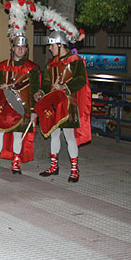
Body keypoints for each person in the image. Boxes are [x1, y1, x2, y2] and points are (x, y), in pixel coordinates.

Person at [35, 29, 92, 182]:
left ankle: (74, 169)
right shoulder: (50, 64)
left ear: (60, 45)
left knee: (69, 136)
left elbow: (81, 80)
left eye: (52, 45)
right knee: (54, 134)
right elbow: (47, 83)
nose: (49, 48)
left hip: (69, 104)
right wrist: (41, 92)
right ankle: (54, 166)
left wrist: (64, 87)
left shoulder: (75, 60)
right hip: (54, 104)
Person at [0, 33, 40, 174]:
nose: (20, 50)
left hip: (23, 107)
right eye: (17, 46)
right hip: (4, 107)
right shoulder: (3, 66)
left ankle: (16, 163)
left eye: (23, 47)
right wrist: (1, 85)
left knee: (18, 135)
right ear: (13, 48)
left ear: (26, 49)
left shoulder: (32, 68)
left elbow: (35, 90)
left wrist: (34, 111)